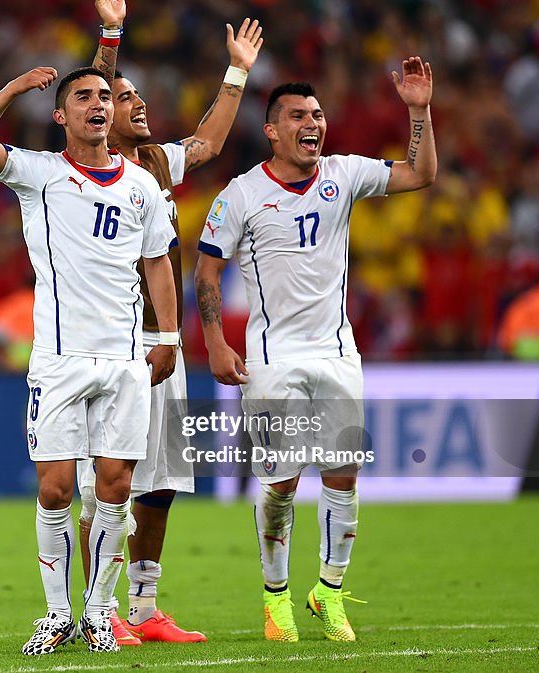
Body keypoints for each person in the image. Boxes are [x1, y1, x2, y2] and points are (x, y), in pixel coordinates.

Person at [193, 58, 437, 643]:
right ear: (272, 130)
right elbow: (205, 273)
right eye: (299, 115)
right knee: (280, 481)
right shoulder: (242, 194)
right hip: (271, 357)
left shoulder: (344, 174)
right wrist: (215, 344)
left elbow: (420, 174)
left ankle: (327, 590)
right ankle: (275, 597)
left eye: (318, 114)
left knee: (344, 472)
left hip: (336, 352)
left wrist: (418, 110)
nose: (313, 122)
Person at [0, 61, 179, 655]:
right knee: (56, 491)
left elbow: (158, 261)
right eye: (82, 97)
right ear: (61, 115)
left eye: (104, 95)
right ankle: (56, 614)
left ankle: (100, 615)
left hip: (127, 357)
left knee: (116, 486)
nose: (97, 104)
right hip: (58, 358)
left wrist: (171, 337)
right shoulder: (40, 174)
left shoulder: (142, 187)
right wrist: (11, 89)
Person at [75, 0, 264, 647]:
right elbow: (90, 87)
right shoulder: (82, 170)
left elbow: (208, 142)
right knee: (109, 478)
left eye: (135, 96)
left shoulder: (153, 161)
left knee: (160, 479)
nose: (135, 104)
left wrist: (236, 74)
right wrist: (111, 36)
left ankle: (146, 605)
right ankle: (99, 609)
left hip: (163, 340)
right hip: (105, 340)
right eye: (122, 98)